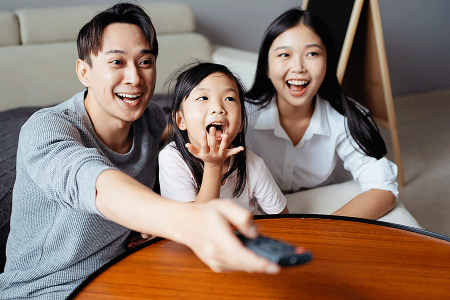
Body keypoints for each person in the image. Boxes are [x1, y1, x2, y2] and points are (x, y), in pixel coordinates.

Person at [0, 3, 280, 299]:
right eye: (117, 62)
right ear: (84, 71)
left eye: (145, 62)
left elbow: (187, 124)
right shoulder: (46, 130)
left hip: (130, 273)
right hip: (49, 290)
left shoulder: (151, 120)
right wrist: (184, 221)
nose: (134, 78)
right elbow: (96, 184)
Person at [245, 7, 420, 225]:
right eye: (284, 55)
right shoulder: (242, 118)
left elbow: (382, 187)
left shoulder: (346, 117)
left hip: (327, 202)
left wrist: (322, 230)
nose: (298, 67)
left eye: (312, 54)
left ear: (327, 64)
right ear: (267, 68)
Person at [159, 62, 289, 215]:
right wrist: (213, 165)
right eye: (203, 97)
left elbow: (283, 217)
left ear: (241, 123)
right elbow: (196, 222)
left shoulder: (253, 164)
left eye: (229, 98)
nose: (218, 108)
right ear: (181, 120)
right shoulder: (172, 158)